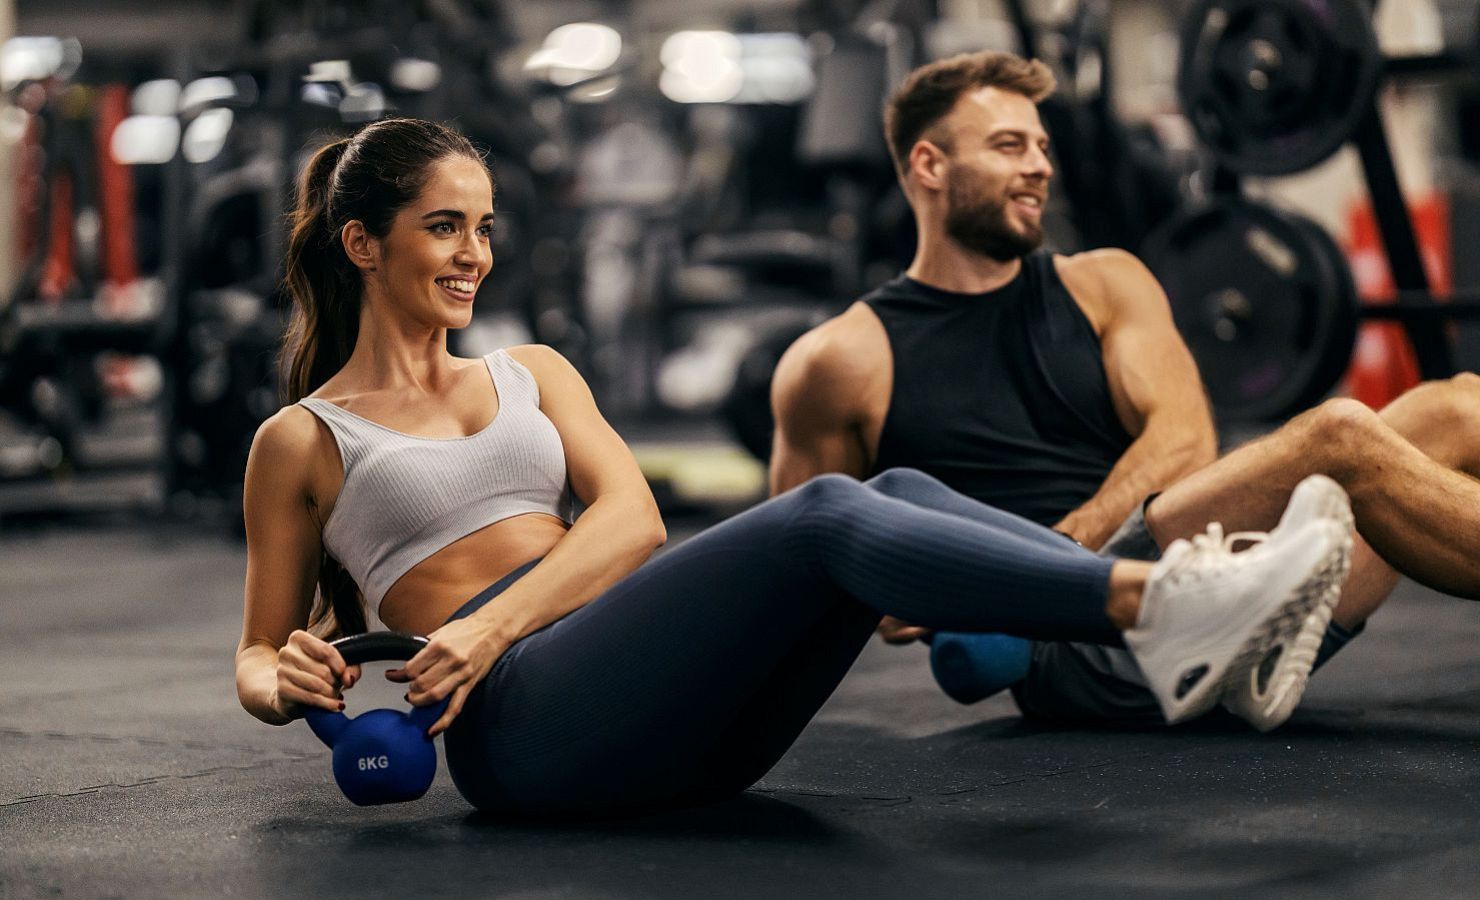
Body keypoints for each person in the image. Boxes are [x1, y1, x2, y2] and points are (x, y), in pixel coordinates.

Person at [233, 117, 1352, 818]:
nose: (475, 253)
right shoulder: (306, 440)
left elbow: (630, 526)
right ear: (364, 244)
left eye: (482, 226)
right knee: (824, 513)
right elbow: (253, 655)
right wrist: (282, 684)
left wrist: (489, 622)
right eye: (443, 227)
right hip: (525, 738)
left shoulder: (533, 372)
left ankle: (1175, 627)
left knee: (889, 498)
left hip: (674, 717)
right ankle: (1168, 608)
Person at [769, 51, 1480, 732]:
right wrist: (977, 588)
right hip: (1077, 649)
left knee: (1459, 404)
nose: (1039, 168)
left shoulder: (1102, 284)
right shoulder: (840, 360)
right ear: (928, 163)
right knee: (1339, 436)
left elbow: (1183, 443)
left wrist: (1058, 555)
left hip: (1192, 570)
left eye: (1043, 148)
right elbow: (808, 571)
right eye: (1009, 146)